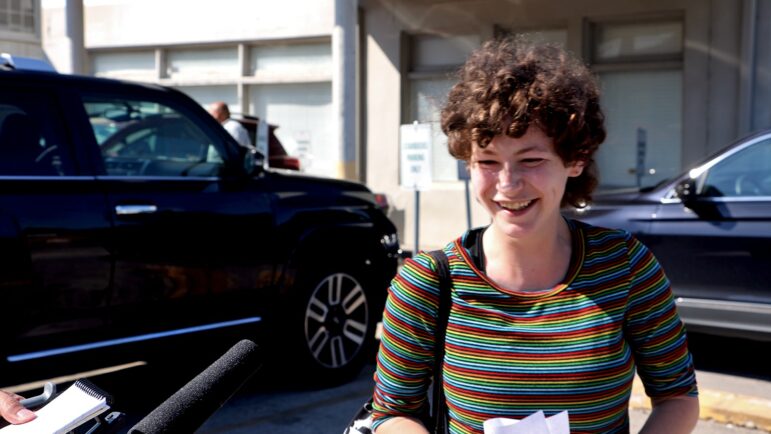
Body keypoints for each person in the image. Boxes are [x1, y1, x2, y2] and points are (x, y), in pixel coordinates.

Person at [371, 36, 699, 434]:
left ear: (575, 160)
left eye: (531, 160)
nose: (508, 185)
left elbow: (677, 397)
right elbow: (391, 413)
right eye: (488, 161)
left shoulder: (625, 266)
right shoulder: (427, 282)